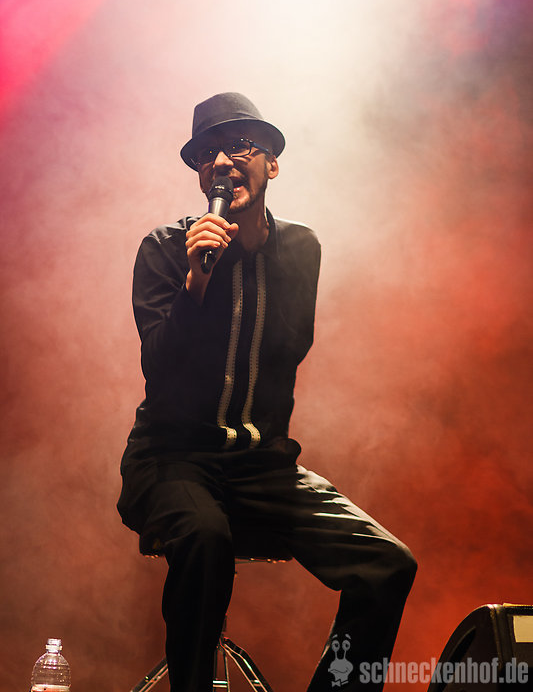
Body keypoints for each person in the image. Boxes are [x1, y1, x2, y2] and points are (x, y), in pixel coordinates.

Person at [117, 92, 417, 692]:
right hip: (172, 459)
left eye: (238, 147)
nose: (221, 162)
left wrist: (250, 256)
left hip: (261, 466)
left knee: (386, 565)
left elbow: (288, 349)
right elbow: (161, 368)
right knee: (205, 537)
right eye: (206, 154)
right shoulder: (165, 250)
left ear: (272, 164)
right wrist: (199, 279)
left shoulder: (301, 249)